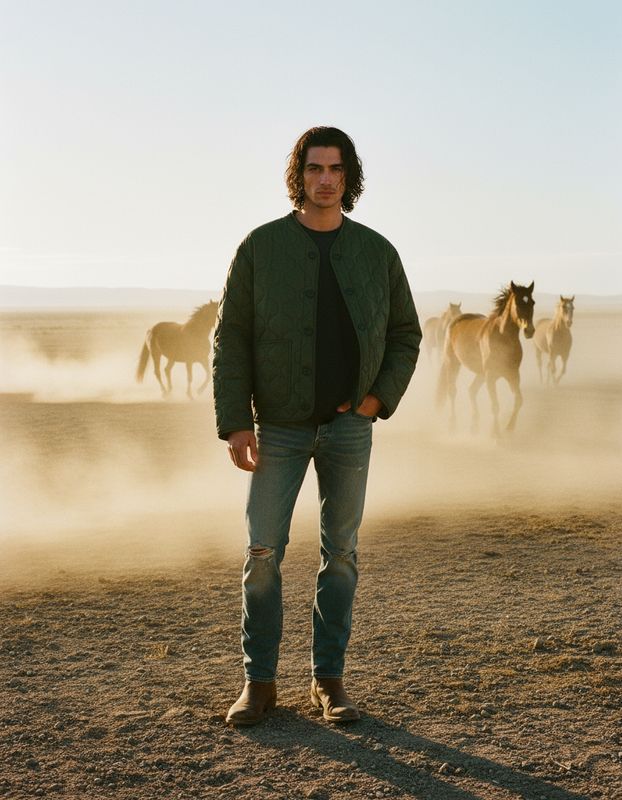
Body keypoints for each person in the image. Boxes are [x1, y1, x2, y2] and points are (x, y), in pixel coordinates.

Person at [212, 126, 422, 725]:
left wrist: (376, 399)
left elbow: (406, 333)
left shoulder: (377, 252)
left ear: (348, 178)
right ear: (298, 175)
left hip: (350, 428)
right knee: (262, 553)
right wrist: (235, 423)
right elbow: (232, 337)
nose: (324, 179)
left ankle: (328, 682)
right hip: (276, 427)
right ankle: (259, 683)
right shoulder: (260, 247)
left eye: (335, 169)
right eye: (313, 168)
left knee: (342, 555)